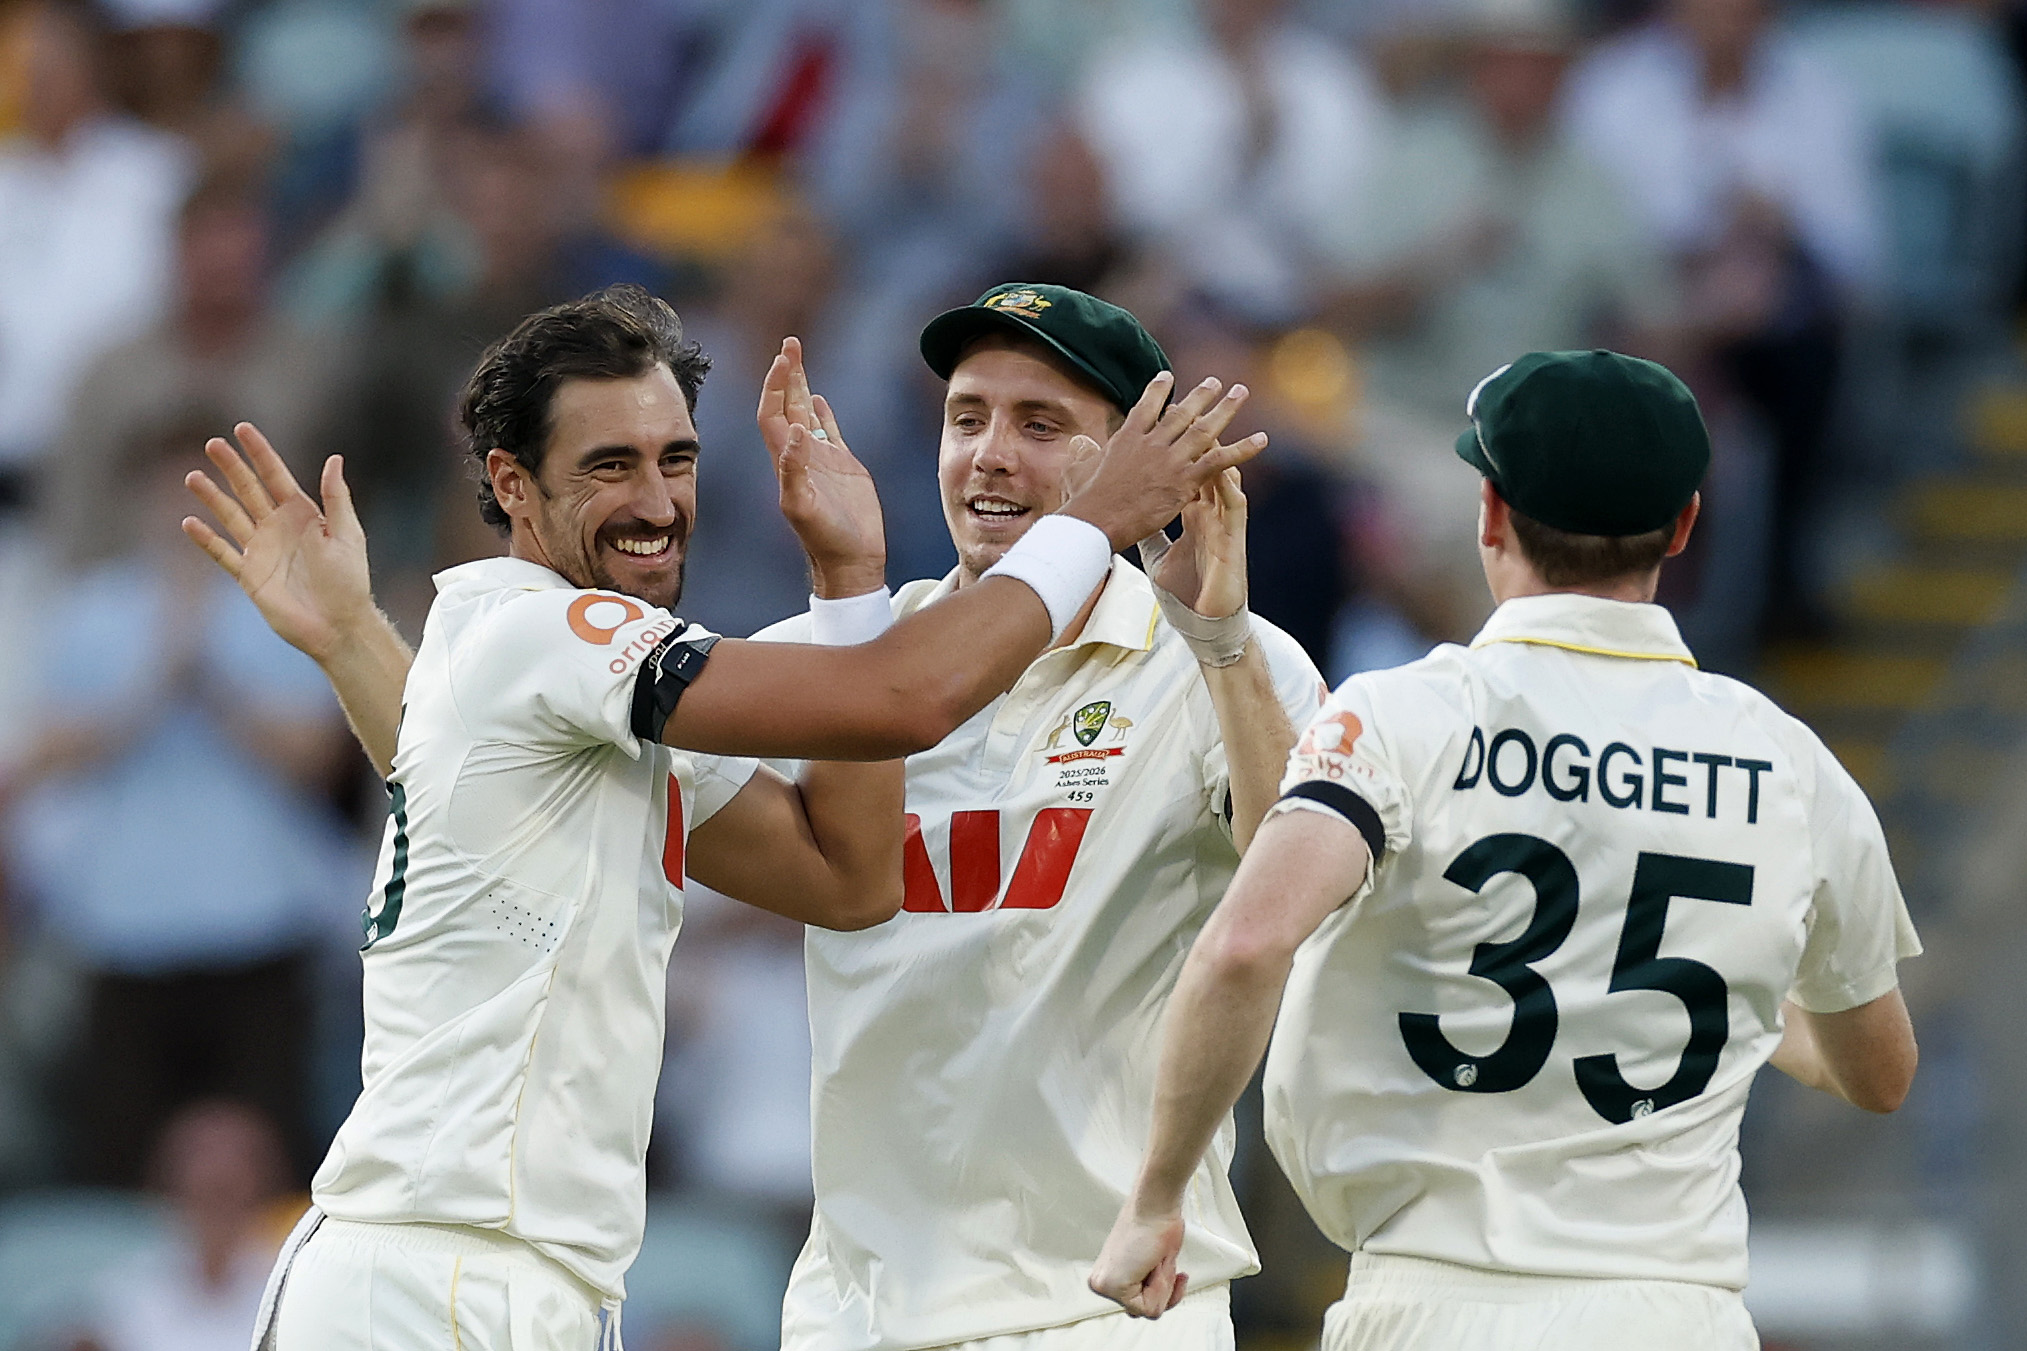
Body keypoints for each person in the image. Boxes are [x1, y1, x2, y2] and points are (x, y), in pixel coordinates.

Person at [182, 283, 1257, 1350]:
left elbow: (846, 878)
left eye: (676, 460)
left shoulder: (561, 695)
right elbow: (904, 700)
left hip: (530, 1280)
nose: (656, 501)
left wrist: (848, 573)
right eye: (609, 466)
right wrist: (1094, 519)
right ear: (509, 483)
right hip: (428, 1276)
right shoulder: (552, 633)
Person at [1089, 349, 1921, 1348]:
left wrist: (1157, 1194)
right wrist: (1721, 1003)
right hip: (1680, 1314)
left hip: (1439, 1301)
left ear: (1489, 511)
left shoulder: (1402, 718)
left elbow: (1245, 943)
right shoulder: (1790, 764)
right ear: (1686, 527)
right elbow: (1878, 1072)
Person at [754, 284, 1323, 1350]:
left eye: (1040, 424)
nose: (989, 456)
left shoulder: (1224, 655)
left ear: (1136, 465)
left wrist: (1219, 644)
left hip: (1113, 1303)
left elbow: (1296, 881)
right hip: (859, 1311)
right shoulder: (844, 658)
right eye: (965, 417)